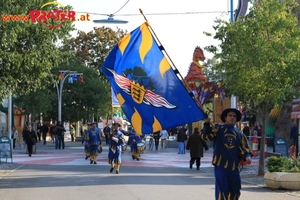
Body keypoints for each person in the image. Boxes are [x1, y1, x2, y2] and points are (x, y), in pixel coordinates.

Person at [201, 108, 252, 200]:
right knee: (222, 191)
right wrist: (207, 124)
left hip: (234, 168)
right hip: (221, 167)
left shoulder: (240, 134)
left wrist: (247, 157)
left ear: (236, 119)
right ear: (225, 117)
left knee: (235, 192)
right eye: (230, 115)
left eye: (234, 116)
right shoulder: (218, 129)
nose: (232, 117)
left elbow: (245, 148)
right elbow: (207, 137)